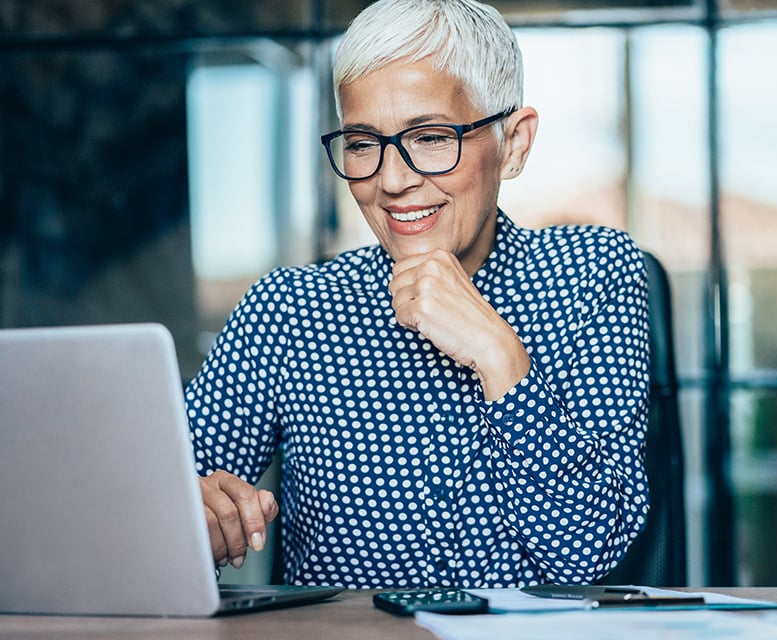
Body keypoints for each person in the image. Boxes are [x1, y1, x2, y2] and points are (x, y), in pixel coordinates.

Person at [186, 0, 651, 589]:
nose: (392, 180)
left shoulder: (591, 275)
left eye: (430, 137)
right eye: (361, 144)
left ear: (514, 144)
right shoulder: (288, 310)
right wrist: (187, 508)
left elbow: (588, 553)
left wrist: (500, 358)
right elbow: (151, 504)